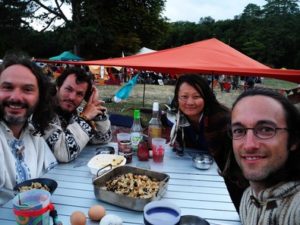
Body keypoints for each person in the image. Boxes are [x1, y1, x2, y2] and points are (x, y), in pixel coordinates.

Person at [169, 74, 248, 211]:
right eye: (184, 97)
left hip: (229, 182)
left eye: (196, 96)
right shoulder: (179, 117)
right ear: (177, 98)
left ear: (206, 97)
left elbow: (237, 162)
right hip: (195, 176)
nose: (190, 102)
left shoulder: (222, 120)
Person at [226, 88, 300, 224]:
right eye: (239, 130)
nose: (249, 145)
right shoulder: (249, 196)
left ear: (294, 140)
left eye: (266, 129)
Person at [0, 53, 57, 203]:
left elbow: (49, 177)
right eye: (7, 87)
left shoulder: (33, 134)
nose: (16, 97)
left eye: (27, 89)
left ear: (40, 97)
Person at [43, 67, 112, 163]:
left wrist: (94, 104)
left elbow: (103, 138)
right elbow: (63, 153)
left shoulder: (75, 112)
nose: (72, 97)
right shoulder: (43, 112)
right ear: (58, 87)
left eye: (79, 94)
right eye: (68, 89)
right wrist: (84, 118)